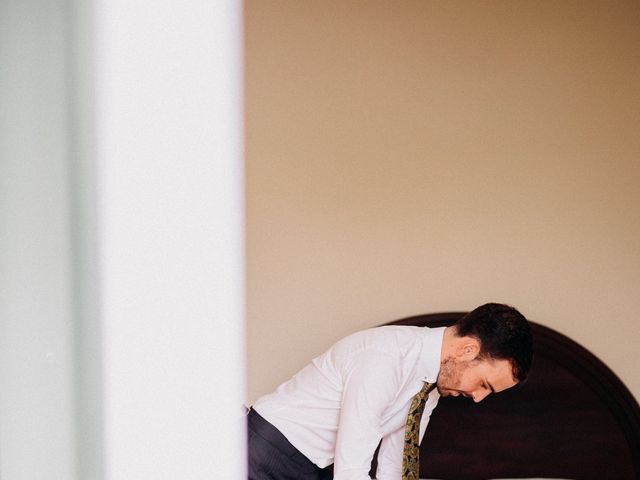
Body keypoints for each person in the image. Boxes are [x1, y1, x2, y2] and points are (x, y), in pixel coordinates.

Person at [248, 303, 533, 480]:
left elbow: (394, 464)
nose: (479, 397)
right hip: (268, 453)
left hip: (315, 467)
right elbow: (352, 463)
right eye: (484, 384)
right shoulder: (385, 357)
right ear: (467, 350)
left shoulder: (431, 386)